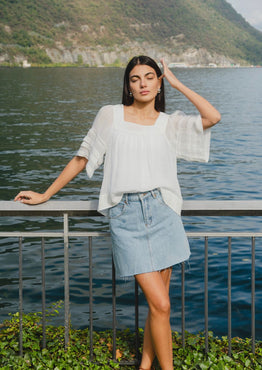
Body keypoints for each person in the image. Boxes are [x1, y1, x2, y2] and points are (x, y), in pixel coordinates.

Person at [15, 55, 221, 369]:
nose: (143, 84)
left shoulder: (168, 123)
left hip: (163, 211)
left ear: (158, 82)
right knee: (161, 303)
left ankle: (144, 365)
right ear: (127, 84)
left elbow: (212, 116)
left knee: (158, 307)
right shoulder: (111, 116)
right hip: (126, 216)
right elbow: (82, 159)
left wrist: (177, 82)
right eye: (136, 78)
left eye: (150, 77)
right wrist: (46, 194)